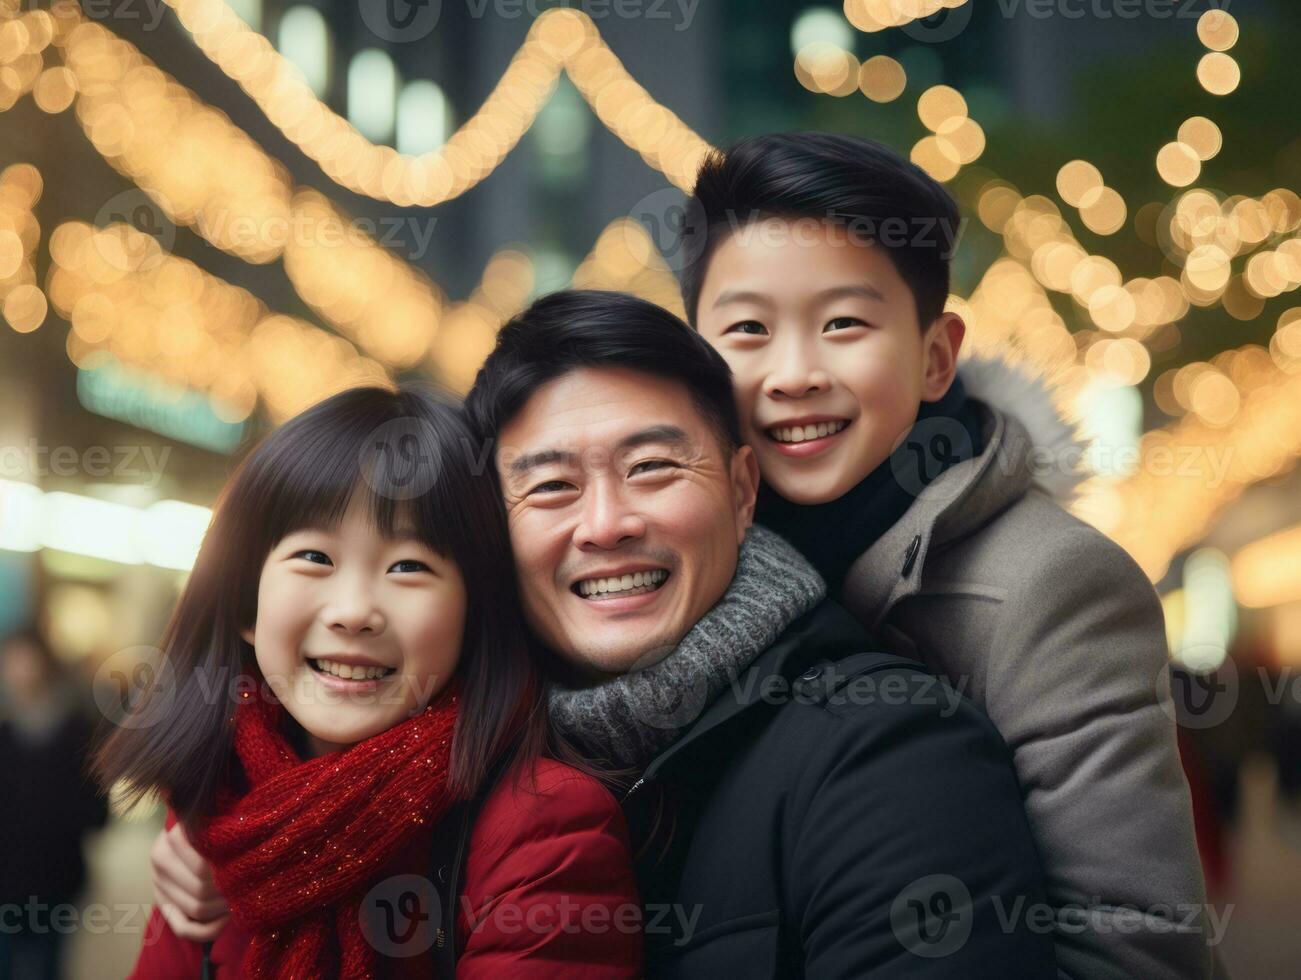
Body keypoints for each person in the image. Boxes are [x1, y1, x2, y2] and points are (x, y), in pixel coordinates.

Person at [152, 293, 1056, 977]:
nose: (606, 523)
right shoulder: (412, 780)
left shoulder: (891, 758)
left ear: (743, 492)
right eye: (549, 487)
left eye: (653, 468)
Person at [678, 132, 1212, 980]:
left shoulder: (1053, 584)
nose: (793, 373)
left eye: (843, 323)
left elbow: (1137, 944)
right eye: (746, 329)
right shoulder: (684, 564)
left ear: (934, 357)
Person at [92, 384, 642, 979]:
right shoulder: (222, 811)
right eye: (314, 558)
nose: (352, 611)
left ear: (474, 613)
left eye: (408, 566)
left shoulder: (544, 830)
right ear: (246, 604)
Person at [0, 628, 109, 980]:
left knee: (49, 964)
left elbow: (96, 811)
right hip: (6, 879)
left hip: (56, 878)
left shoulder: (76, 729)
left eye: (25, 659)